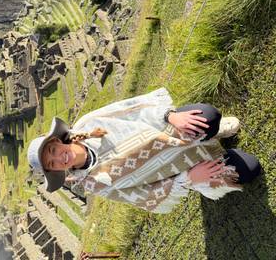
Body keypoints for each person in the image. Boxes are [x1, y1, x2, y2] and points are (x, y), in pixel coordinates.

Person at [27, 88, 261, 213]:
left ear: (57, 141)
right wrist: (188, 179)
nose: (59, 157)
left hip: (174, 132)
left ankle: (213, 134)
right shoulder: (94, 183)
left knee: (208, 117)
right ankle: (213, 159)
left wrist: (171, 116)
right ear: (57, 170)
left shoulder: (89, 124)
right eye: (53, 163)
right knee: (250, 169)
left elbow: (134, 110)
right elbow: (144, 196)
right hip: (185, 171)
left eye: (53, 150)